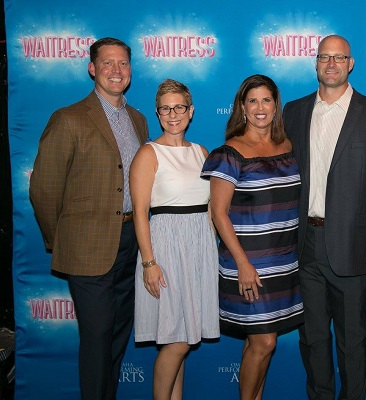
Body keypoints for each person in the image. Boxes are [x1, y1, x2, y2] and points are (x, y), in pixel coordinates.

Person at [29, 37, 148, 399]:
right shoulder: (68, 118)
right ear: (92, 69)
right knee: (97, 338)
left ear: (130, 70)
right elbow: (44, 189)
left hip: (131, 244)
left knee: (117, 334)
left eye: (123, 63)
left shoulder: (138, 120)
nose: (116, 70)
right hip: (87, 248)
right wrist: (62, 239)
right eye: (108, 63)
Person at [282, 34, 366, 399]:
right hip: (305, 246)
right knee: (313, 338)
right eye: (324, 57)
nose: (331, 63)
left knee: (352, 340)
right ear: (316, 63)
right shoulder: (294, 111)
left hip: (354, 245)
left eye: (339, 57)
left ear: (351, 64)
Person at [201, 74, 303, 400]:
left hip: (284, 262)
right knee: (265, 341)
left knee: (259, 342)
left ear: (276, 105)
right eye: (253, 101)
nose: (261, 107)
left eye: (267, 100)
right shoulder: (229, 152)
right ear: (242, 108)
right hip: (246, 263)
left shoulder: (288, 146)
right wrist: (243, 264)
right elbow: (218, 213)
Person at [130, 79, 219, 400]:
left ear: (190, 111)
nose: (172, 114)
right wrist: (149, 262)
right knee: (177, 340)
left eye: (178, 107)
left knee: (181, 339)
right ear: (157, 113)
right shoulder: (148, 153)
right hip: (166, 250)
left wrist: (213, 254)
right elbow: (141, 212)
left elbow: (211, 208)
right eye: (165, 109)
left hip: (199, 249)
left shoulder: (202, 152)